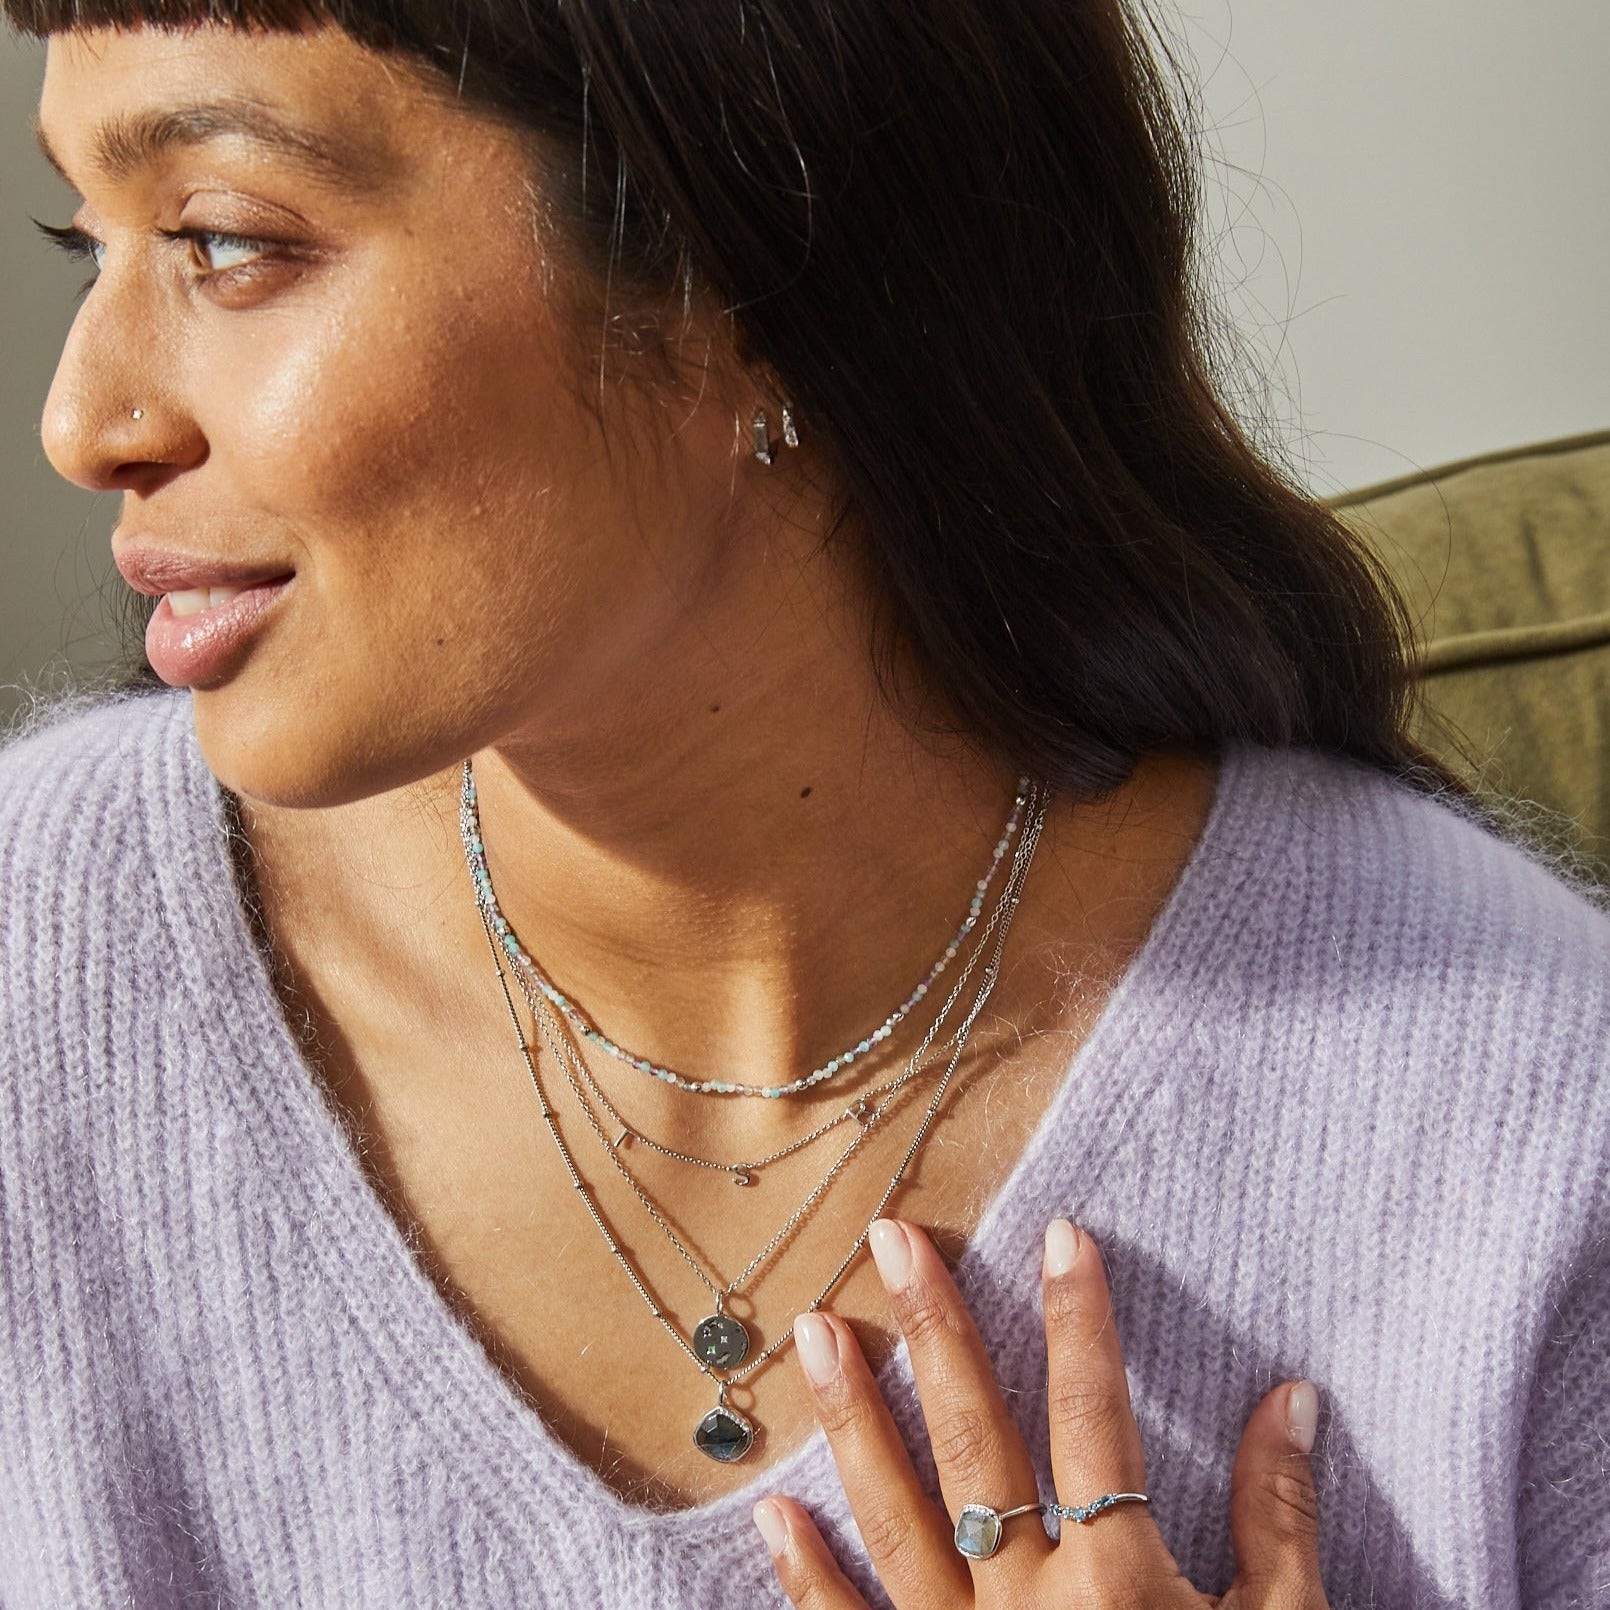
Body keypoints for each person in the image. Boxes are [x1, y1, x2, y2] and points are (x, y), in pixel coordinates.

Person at [0, 2, 1605, 1606]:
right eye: (87, 242)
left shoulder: (1521, 1137)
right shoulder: (36, 969)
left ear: (743, 273)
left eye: (221, 242)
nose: (85, 421)